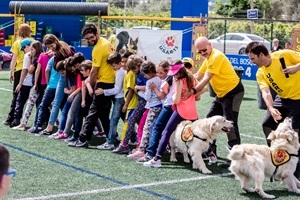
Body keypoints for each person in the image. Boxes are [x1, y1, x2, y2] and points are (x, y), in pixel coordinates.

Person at [245, 41, 300, 178]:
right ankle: (277, 158)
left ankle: (296, 170)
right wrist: (271, 107)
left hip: (299, 98)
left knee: (297, 132)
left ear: (261, 54)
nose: (251, 62)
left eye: (253, 58)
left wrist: (296, 67)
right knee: (267, 124)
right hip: (282, 98)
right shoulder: (260, 73)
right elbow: (266, 92)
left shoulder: (284, 54)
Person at [190, 36, 244, 167]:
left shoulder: (216, 57)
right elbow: (198, 75)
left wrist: (192, 91)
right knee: (209, 120)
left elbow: (206, 78)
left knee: (230, 123)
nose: (202, 53)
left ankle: (236, 157)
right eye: (200, 52)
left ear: (210, 45)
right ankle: (210, 151)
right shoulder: (208, 58)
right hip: (221, 94)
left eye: (204, 50)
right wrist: (183, 78)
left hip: (233, 92)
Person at [143, 63, 203, 168]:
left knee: (167, 131)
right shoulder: (191, 78)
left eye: (174, 74)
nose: (173, 76)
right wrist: (193, 93)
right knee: (198, 134)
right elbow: (203, 88)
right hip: (192, 111)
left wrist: (179, 93)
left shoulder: (179, 81)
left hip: (180, 111)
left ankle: (157, 158)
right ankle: (209, 155)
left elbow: (176, 100)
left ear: (178, 73)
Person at [68, 23, 115, 148]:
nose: (89, 40)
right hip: (112, 82)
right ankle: (113, 139)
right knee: (105, 114)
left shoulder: (98, 48)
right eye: (87, 38)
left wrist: (93, 87)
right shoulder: (105, 42)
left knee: (93, 112)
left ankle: (83, 139)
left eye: (91, 37)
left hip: (104, 83)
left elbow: (94, 71)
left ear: (97, 34)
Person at [3, 23, 32, 126]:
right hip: (32, 70)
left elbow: (13, 59)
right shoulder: (33, 42)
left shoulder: (17, 43)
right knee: (35, 95)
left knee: (16, 95)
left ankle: (11, 118)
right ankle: (44, 120)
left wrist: (11, 72)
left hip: (19, 70)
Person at [96, 52, 126, 150]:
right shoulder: (122, 71)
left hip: (119, 98)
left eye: (113, 65)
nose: (112, 67)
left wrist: (103, 91)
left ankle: (110, 142)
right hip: (121, 98)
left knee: (113, 120)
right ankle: (133, 138)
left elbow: (117, 89)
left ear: (118, 63)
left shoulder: (120, 73)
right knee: (125, 118)